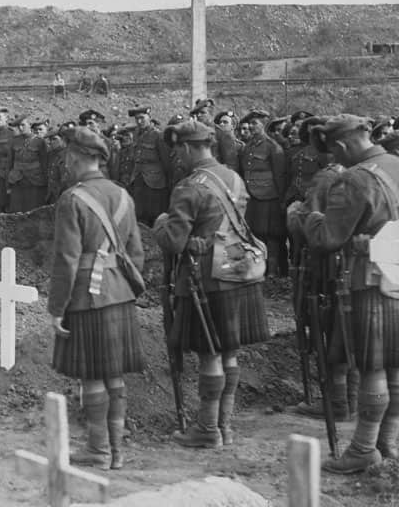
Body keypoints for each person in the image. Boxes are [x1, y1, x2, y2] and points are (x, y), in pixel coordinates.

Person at [289, 114, 399, 473]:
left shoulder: (354, 179)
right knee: (396, 368)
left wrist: (308, 216)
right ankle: (388, 442)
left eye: (334, 152)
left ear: (340, 145)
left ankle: (363, 448)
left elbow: (327, 238)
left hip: (371, 281)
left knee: (373, 368)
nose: (334, 159)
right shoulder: (396, 164)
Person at [153, 120, 269, 449]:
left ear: (188, 147)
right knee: (229, 353)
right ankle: (224, 426)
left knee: (210, 354)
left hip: (206, 277)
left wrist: (161, 223)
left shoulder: (189, 187)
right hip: (239, 270)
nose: (177, 157)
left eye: (178, 150)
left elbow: (174, 241)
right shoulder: (233, 177)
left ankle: (207, 429)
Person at [47, 127, 145, 470]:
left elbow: (67, 260)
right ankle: (116, 451)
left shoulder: (72, 199)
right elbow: (136, 253)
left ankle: (98, 450)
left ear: (75, 158)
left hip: (87, 297)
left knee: (91, 375)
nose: (66, 163)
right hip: (120, 293)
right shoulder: (123, 195)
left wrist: (57, 307)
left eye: (67, 157)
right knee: (114, 374)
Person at [240, 109, 288, 276]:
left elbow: (279, 176)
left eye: (255, 123)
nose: (251, 126)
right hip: (251, 197)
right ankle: (257, 269)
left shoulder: (273, 147)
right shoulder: (248, 147)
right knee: (254, 233)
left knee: (271, 235)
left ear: (264, 124)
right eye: (250, 123)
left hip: (269, 196)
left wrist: (281, 200)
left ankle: (272, 272)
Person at [128, 107, 171, 225]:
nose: (139, 121)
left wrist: (168, 183)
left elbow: (166, 162)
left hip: (155, 183)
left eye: (142, 118)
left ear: (150, 118)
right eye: (136, 119)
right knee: (139, 215)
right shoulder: (136, 134)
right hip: (138, 179)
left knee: (154, 216)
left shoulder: (158, 135)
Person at [8, 119, 49, 212]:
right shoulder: (14, 141)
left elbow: (44, 163)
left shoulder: (39, 142)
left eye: (23, 125)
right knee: (16, 210)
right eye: (18, 126)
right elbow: (10, 162)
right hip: (17, 180)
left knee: (33, 210)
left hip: (34, 181)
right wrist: (8, 183)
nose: (20, 128)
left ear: (30, 125)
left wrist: (46, 182)